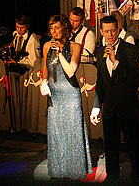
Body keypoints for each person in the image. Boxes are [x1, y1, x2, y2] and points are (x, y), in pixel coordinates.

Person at [90, 16, 139, 183]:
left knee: (134, 145)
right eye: (106, 31)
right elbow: (100, 81)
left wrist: (116, 62)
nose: (110, 34)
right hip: (110, 108)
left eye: (113, 30)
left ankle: (138, 176)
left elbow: (134, 78)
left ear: (118, 29)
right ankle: (112, 174)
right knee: (110, 145)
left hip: (128, 106)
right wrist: (96, 106)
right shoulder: (100, 53)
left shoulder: (130, 50)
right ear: (101, 32)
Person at [39, 14, 92, 180]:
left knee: (72, 131)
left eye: (57, 27)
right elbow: (45, 69)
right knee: (57, 132)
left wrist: (60, 53)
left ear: (65, 28)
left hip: (70, 93)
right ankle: (60, 169)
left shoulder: (76, 46)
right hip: (55, 94)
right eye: (51, 28)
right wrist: (43, 83)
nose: (53, 31)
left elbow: (70, 71)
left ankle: (75, 170)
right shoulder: (47, 45)